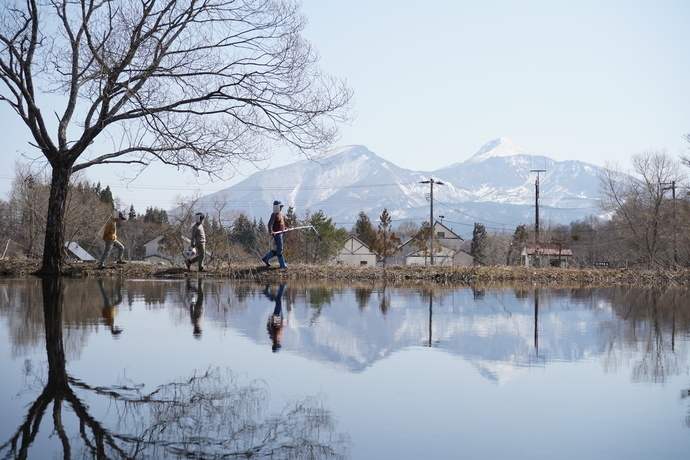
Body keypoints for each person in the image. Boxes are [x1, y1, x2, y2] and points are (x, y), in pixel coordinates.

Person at [262, 200, 289, 268]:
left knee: (279, 249)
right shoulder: (274, 214)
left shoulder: (281, 214)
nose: (281, 207)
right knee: (280, 249)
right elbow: (269, 224)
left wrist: (285, 228)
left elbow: (281, 225)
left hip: (281, 233)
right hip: (277, 234)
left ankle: (266, 258)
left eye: (282, 206)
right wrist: (271, 230)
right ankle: (282, 264)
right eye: (280, 206)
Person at [264, 284, 286, 352]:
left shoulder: (274, 337)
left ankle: (282, 285)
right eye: (278, 344)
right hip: (279, 318)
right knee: (278, 300)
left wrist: (272, 319)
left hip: (277, 319)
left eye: (278, 344)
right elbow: (268, 327)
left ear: (275, 344)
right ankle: (268, 294)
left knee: (278, 299)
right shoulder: (273, 337)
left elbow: (273, 327)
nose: (279, 343)